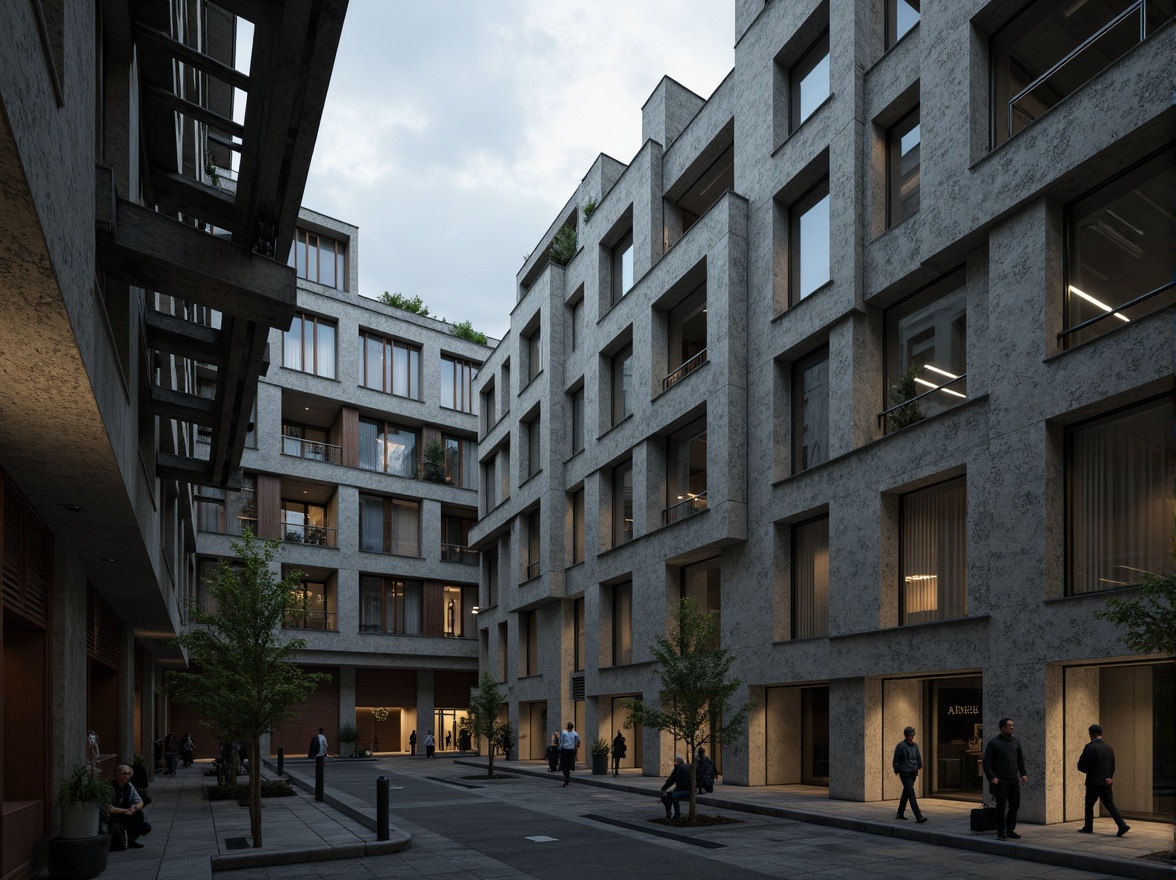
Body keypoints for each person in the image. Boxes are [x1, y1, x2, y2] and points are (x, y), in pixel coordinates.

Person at [1077, 723, 1129, 837]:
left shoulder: (1090, 747)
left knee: (1089, 805)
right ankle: (1122, 825)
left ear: (1091, 734)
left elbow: (1081, 766)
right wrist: (1109, 778)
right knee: (1110, 804)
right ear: (1100, 734)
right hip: (1106, 781)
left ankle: (1088, 827)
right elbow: (1112, 766)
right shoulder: (1109, 748)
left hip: (1093, 782)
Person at [982, 717, 1027, 840]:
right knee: (1001, 807)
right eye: (1009, 725)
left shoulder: (1015, 742)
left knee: (1015, 805)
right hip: (1000, 781)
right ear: (1003, 728)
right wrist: (992, 777)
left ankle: (1010, 829)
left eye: (1013, 725)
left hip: (1013, 780)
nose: (1012, 727)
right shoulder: (994, 743)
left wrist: (1023, 773)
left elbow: (1020, 759)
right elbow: (986, 762)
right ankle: (1001, 831)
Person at [108, 764, 152, 848]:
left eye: (128, 774)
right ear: (117, 775)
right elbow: (109, 808)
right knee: (136, 818)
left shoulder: (129, 786)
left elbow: (139, 802)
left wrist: (133, 808)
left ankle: (130, 840)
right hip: (113, 815)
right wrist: (125, 810)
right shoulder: (110, 787)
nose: (126, 776)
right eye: (123, 774)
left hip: (126, 813)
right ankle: (126, 840)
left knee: (145, 825)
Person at [892, 726, 927, 823]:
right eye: (910, 734)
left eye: (913, 734)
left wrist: (919, 766)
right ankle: (918, 816)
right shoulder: (901, 746)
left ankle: (900, 812)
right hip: (905, 772)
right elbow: (896, 760)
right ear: (906, 735)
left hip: (913, 772)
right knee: (911, 793)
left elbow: (918, 757)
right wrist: (898, 769)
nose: (912, 736)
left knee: (907, 792)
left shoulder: (915, 746)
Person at [660, 755, 691, 819]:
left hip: (685, 790)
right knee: (670, 795)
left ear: (677, 762)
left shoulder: (678, 768)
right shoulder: (686, 766)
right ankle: (672, 813)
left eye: (674, 762)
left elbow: (671, 780)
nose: (673, 763)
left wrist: (663, 789)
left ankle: (675, 814)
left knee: (671, 796)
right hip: (688, 789)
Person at [558, 721, 580, 787]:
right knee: (569, 764)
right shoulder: (575, 733)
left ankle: (566, 778)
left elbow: (561, 740)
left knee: (565, 764)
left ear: (567, 726)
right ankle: (567, 777)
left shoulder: (564, 732)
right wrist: (575, 746)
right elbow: (578, 740)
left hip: (565, 749)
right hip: (571, 750)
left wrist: (559, 748)